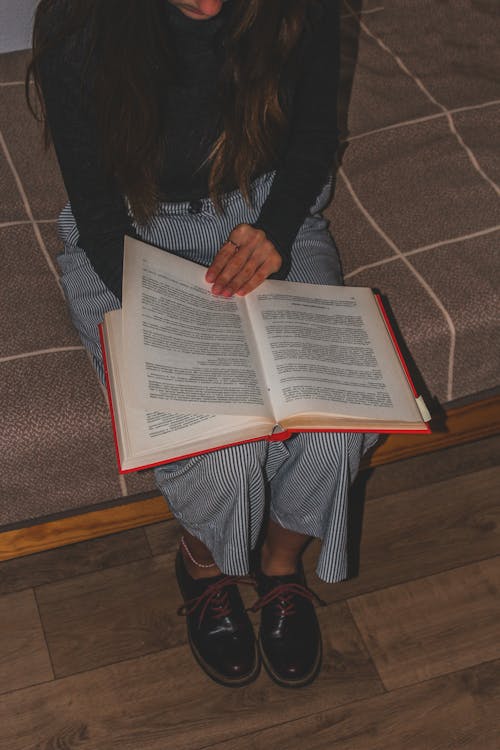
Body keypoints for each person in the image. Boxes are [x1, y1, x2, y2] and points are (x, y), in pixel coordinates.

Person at [28, 0, 378, 689]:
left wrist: (276, 229)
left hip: (265, 210)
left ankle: (280, 562)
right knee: (223, 448)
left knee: (339, 423)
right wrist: (174, 305)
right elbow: (98, 214)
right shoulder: (76, 18)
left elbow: (312, 139)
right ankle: (204, 563)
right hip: (132, 235)